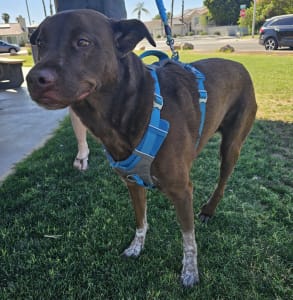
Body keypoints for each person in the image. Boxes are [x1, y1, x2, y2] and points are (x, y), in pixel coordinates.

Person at [54, 0, 127, 171]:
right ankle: (82, 146)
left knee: (117, 76)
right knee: (72, 85)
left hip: (109, 4)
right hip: (71, 4)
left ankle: (121, 138)